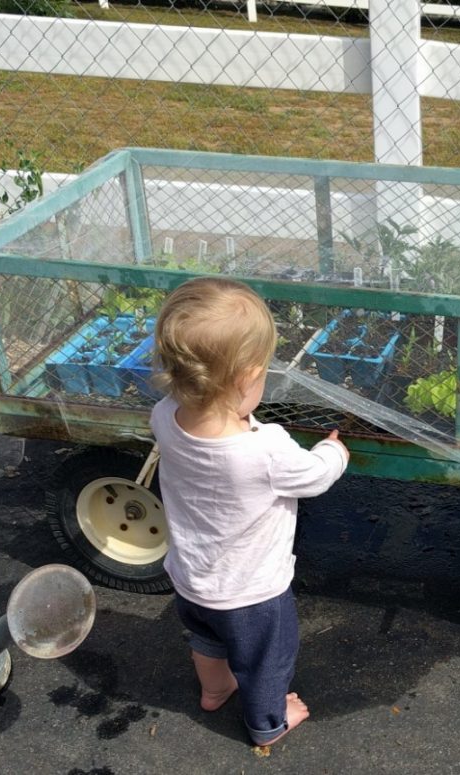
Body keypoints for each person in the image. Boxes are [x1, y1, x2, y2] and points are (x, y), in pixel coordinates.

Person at [148, 276, 349, 746]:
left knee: (208, 641)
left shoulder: (163, 416)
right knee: (266, 662)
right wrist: (333, 451)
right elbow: (315, 476)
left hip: (192, 579)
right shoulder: (266, 450)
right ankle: (267, 723)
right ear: (244, 378)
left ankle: (215, 691)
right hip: (253, 594)